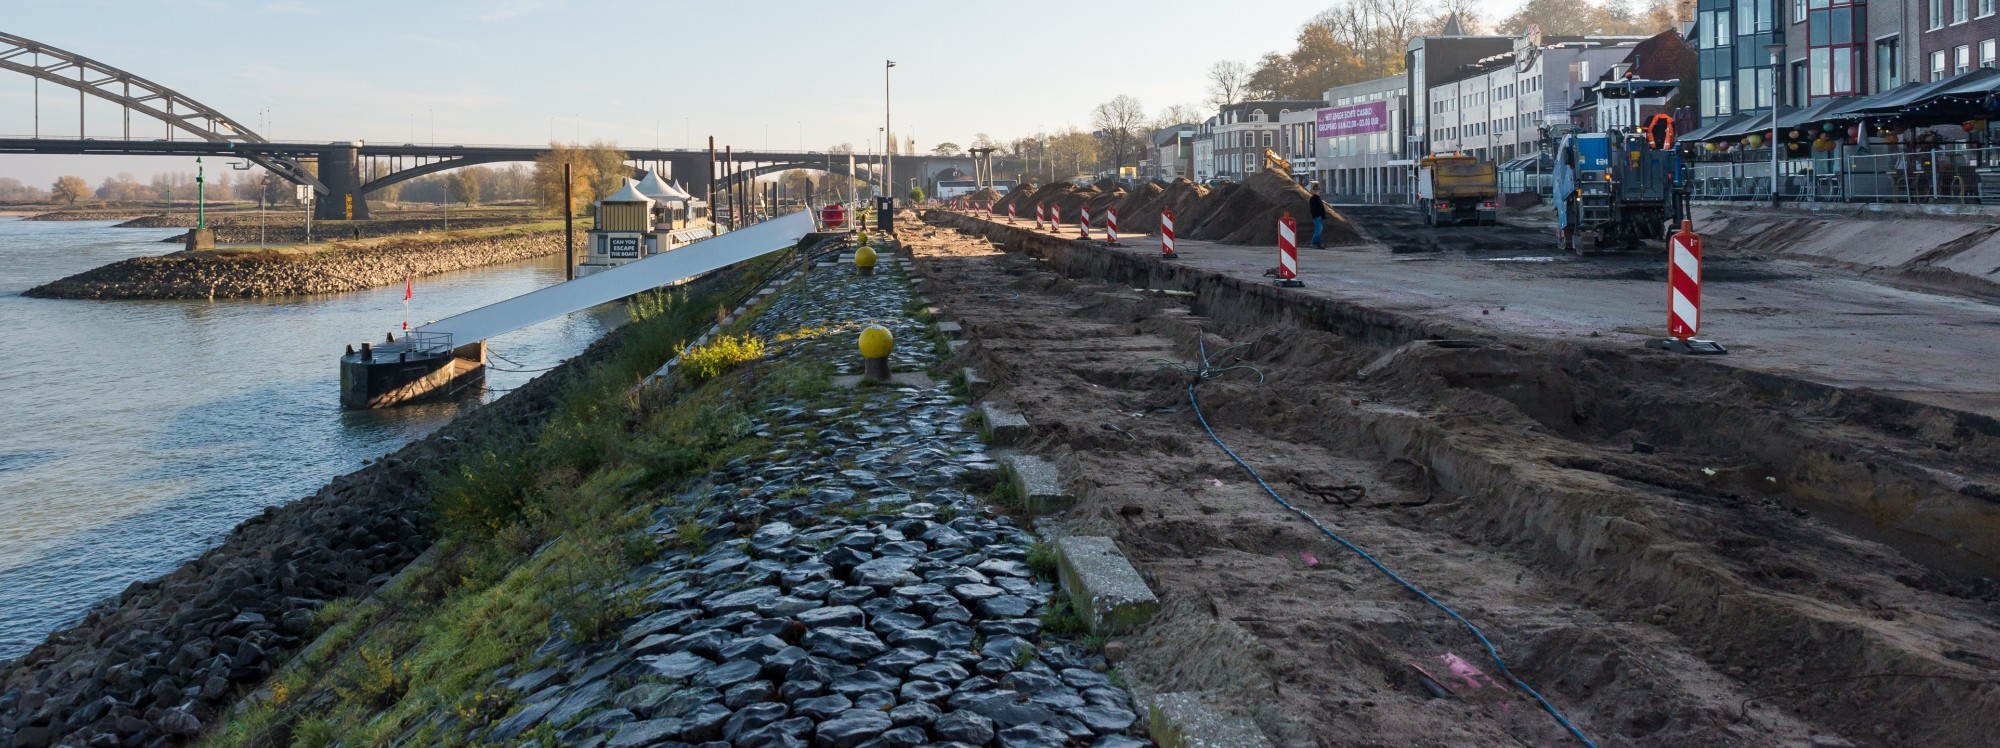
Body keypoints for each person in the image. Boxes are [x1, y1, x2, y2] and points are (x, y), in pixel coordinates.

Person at [1307, 183, 1327, 249]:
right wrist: (1318, 215)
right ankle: (1313, 242)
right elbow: (1315, 208)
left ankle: (1318, 243)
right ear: (1316, 191)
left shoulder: (1317, 198)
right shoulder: (1313, 199)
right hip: (1317, 217)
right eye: (1319, 191)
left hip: (1319, 216)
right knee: (1319, 230)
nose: (1320, 192)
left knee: (1319, 230)